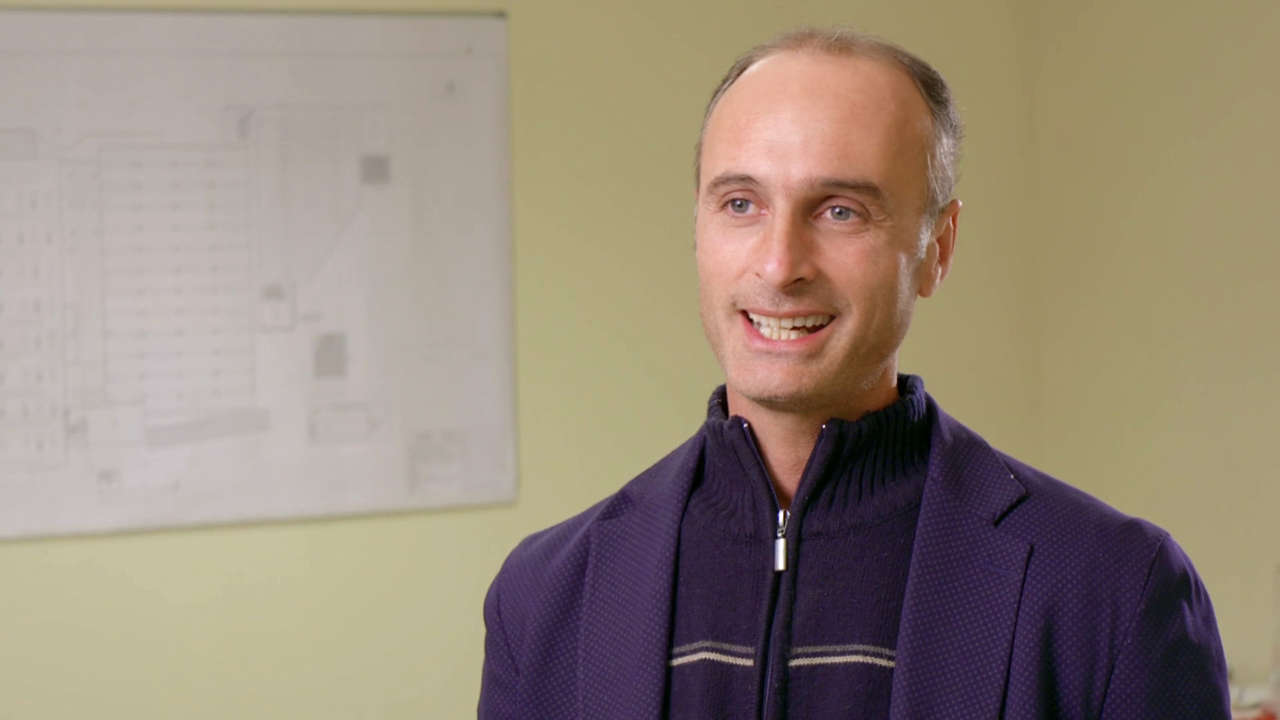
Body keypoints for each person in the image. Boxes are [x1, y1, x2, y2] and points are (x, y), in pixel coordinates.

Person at [478, 27, 1230, 719]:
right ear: (698, 227)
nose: (780, 265)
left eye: (840, 211)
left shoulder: (1114, 591)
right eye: (740, 203)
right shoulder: (543, 600)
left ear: (938, 247)